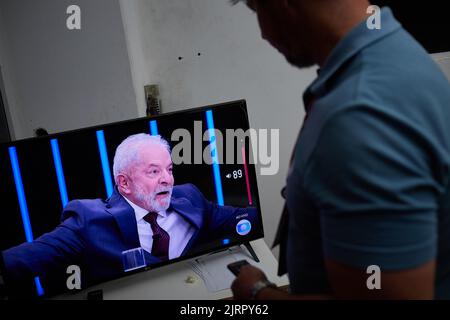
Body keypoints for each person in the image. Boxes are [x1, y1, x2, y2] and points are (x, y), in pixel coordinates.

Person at [230, 0, 450, 299]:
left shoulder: (359, 117)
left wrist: (258, 293)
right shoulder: (394, 48)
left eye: (257, 10)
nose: (264, 35)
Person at [2, 134, 258, 293]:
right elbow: (26, 258)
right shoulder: (89, 220)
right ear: (124, 183)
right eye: (154, 172)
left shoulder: (189, 197)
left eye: (169, 169)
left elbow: (241, 219)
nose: (167, 180)